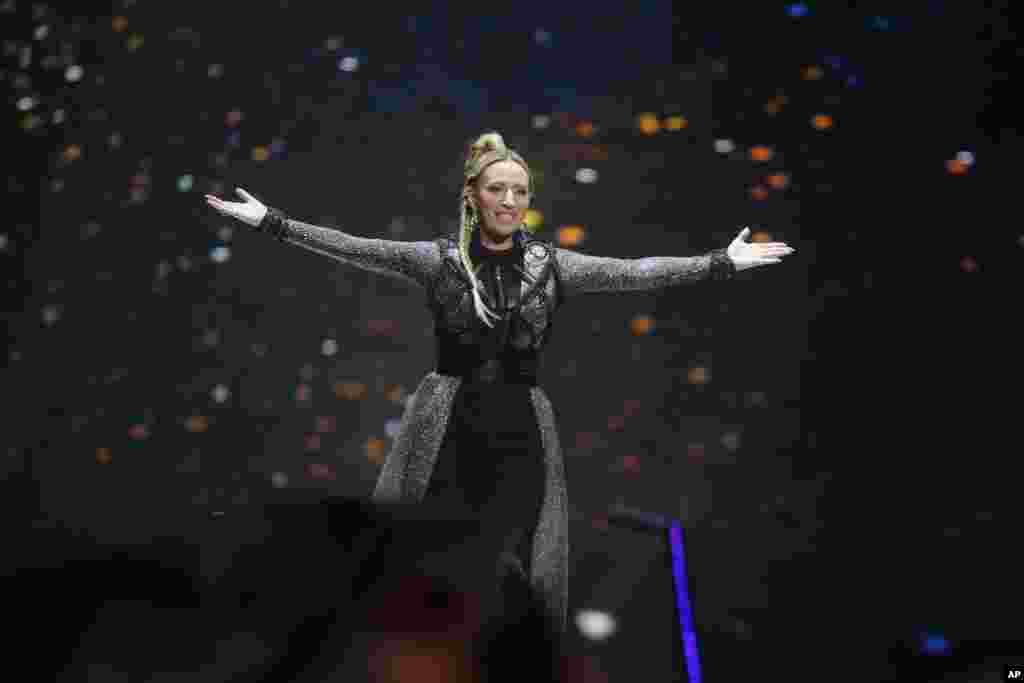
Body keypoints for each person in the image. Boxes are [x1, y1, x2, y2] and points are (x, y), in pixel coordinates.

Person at [204, 130, 795, 642]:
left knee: (515, 562)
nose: (509, 200)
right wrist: (273, 223)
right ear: (472, 196)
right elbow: (354, 248)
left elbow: (636, 271)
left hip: (520, 431)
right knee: (426, 558)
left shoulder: (552, 266)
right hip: (447, 425)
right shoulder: (437, 261)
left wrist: (721, 262)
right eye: (497, 189)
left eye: (519, 191)